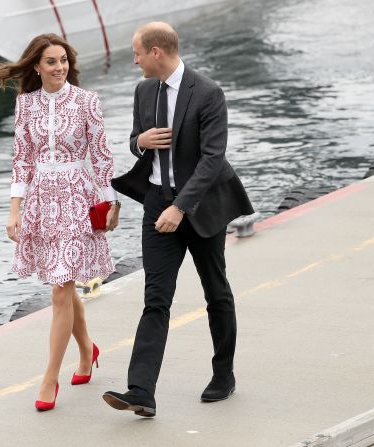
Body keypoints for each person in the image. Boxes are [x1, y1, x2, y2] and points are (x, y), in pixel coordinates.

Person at [104, 22, 254, 417]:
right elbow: (136, 138)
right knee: (156, 298)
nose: (133, 60)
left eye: (137, 53)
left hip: (200, 207)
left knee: (216, 292)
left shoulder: (207, 93)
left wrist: (180, 207)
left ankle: (224, 374)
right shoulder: (143, 91)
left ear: (156, 52)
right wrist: (139, 142)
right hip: (156, 203)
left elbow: (212, 159)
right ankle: (141, 391)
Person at [0, 33, 121, 411]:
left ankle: (49, 378)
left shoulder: (86, 101)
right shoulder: (26, 105)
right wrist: (15, 210)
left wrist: (110, 203)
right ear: (36, 66)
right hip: (42, 201)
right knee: (63, 283)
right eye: (51, 61)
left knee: (62, 288)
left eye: (63, 60)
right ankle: (86, 349)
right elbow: (22, 161)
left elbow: (101, 156)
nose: (59, 67)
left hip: (78, 198)